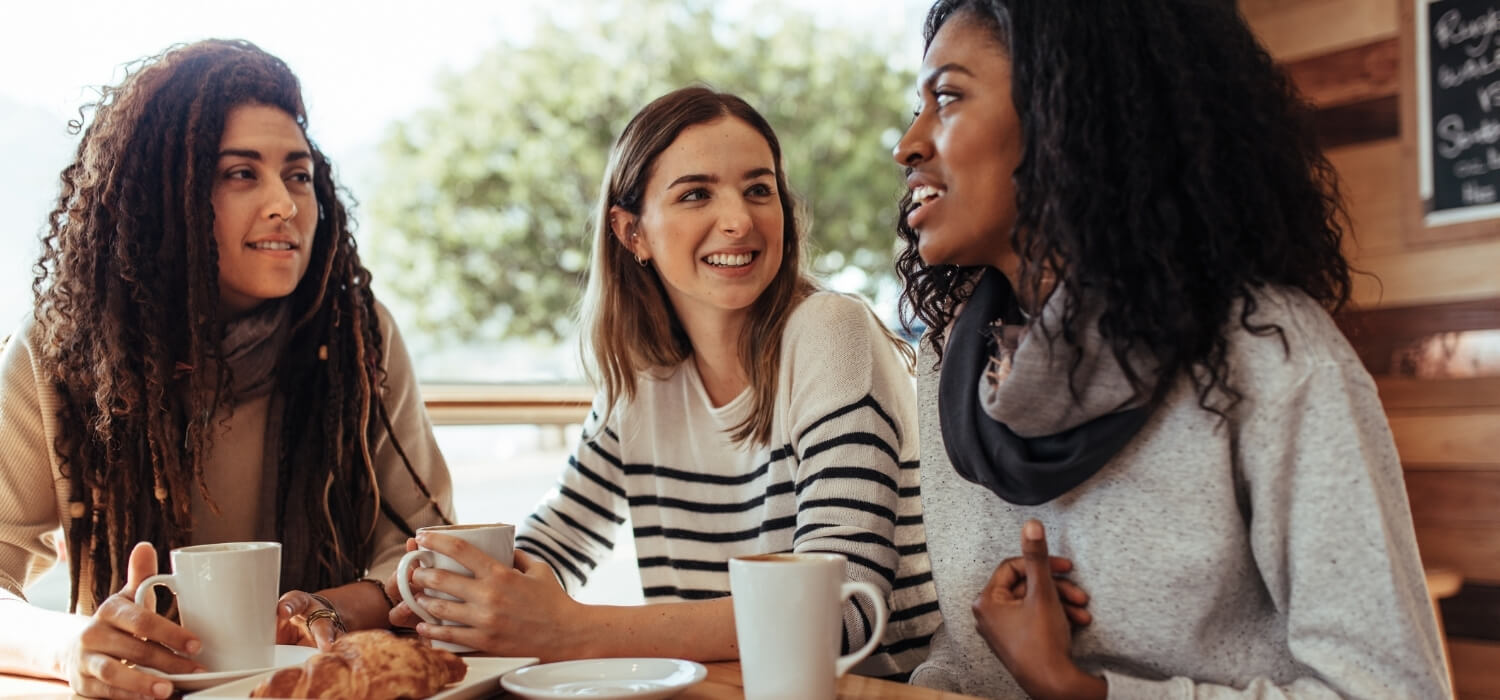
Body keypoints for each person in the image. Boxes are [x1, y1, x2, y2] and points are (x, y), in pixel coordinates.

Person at [890, 1, 1450, 698]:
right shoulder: (953, 360)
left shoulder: (1267, 353)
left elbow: (1391, 691)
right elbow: (966, 665)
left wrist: (1079, 691)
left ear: (1071, 114)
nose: (908, 144)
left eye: (947, 96)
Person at [388, 86, 942, 677]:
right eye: (696, 194)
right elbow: (552, 548)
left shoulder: (831, 330)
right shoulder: (641, 380)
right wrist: (466, 591)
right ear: (633, 234)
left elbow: (840, 612)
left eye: (759, 190)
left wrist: (571, 631)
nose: (738, 220)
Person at [0, 39, 454, 699]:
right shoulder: (60, 353)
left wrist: (323, 612)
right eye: (242, 174)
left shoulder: (358, 337)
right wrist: (72, 648)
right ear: (160, 198)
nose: (285, 204)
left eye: (298, 175)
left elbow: (426, 552)